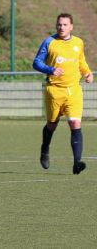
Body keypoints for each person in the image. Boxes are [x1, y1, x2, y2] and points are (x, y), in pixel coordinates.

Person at [33, 13, 93, 174]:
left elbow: (81, 61)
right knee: (52, 125)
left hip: (73, 90)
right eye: (59, 24)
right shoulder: (49, 42)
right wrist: (51, 69)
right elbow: (36, 62)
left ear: (71, 26)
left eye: (65, 25)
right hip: (54, 91)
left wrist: (87, 73)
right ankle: (45, 149)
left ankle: (77, 163)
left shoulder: (78, 42)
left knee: (75, 123)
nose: (61, 27)